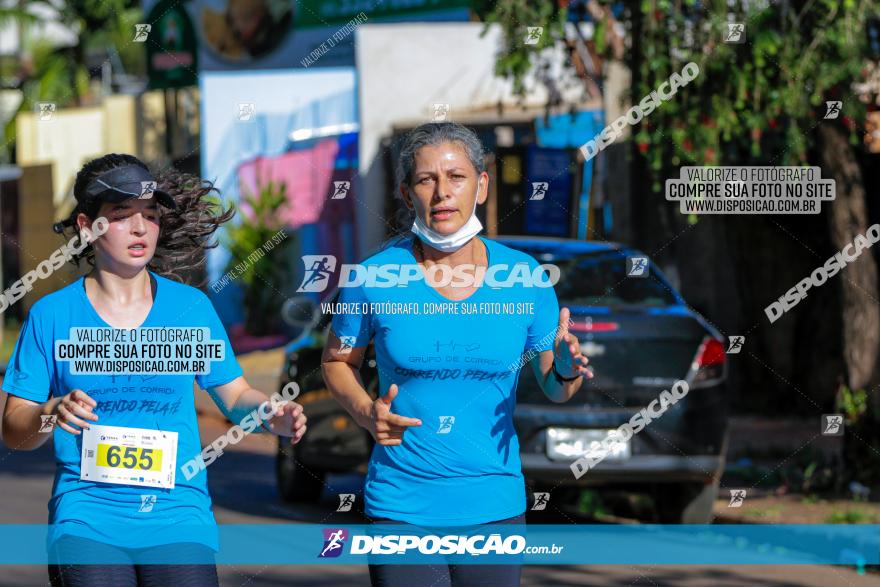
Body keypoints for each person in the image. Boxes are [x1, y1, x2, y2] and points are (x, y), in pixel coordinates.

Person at [0, 154, 307, 586]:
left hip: (178, 516)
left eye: (150, 215)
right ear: (88, 227)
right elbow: (14, 428)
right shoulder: (52, 316)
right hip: (87, 518)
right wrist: (53, 412)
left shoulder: (190, 309)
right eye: (123, 216)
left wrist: (269, 413)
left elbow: (235, 397)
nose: (141, 228)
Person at [321, 123, 592, 586]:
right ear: (408, 194)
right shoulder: (373, 277)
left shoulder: (525, 278)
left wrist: (565, 369)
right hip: (401, 506)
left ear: (482, 185)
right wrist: (367, 412)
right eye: (426, 180)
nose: (442, 193)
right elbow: (336, 361)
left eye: (456, 177)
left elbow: (555, 387)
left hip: (493, 507)